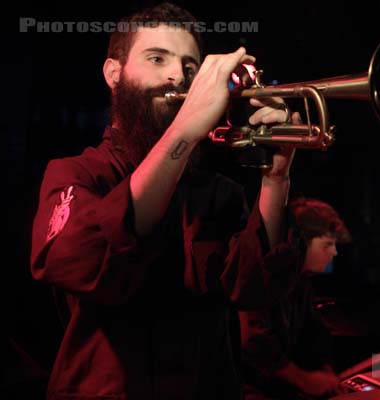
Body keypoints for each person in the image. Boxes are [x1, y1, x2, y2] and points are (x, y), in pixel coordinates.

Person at [29, 3, 303, 399]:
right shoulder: (76, 174)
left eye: (191, 68)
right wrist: (185, 130)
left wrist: (276, 177)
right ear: (113, 73)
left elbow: (255, 290)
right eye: (157, 58)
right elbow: (79, 263)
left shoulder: (217, 192)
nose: (177, 76)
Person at [238, 197, 351, 399]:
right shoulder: (261, 278)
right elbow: (256, 343)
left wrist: (324, 371)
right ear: (300, 243)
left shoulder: (301, 284)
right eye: (327, 245)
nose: (334, 252)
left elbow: (316, 334)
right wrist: (304, 380)